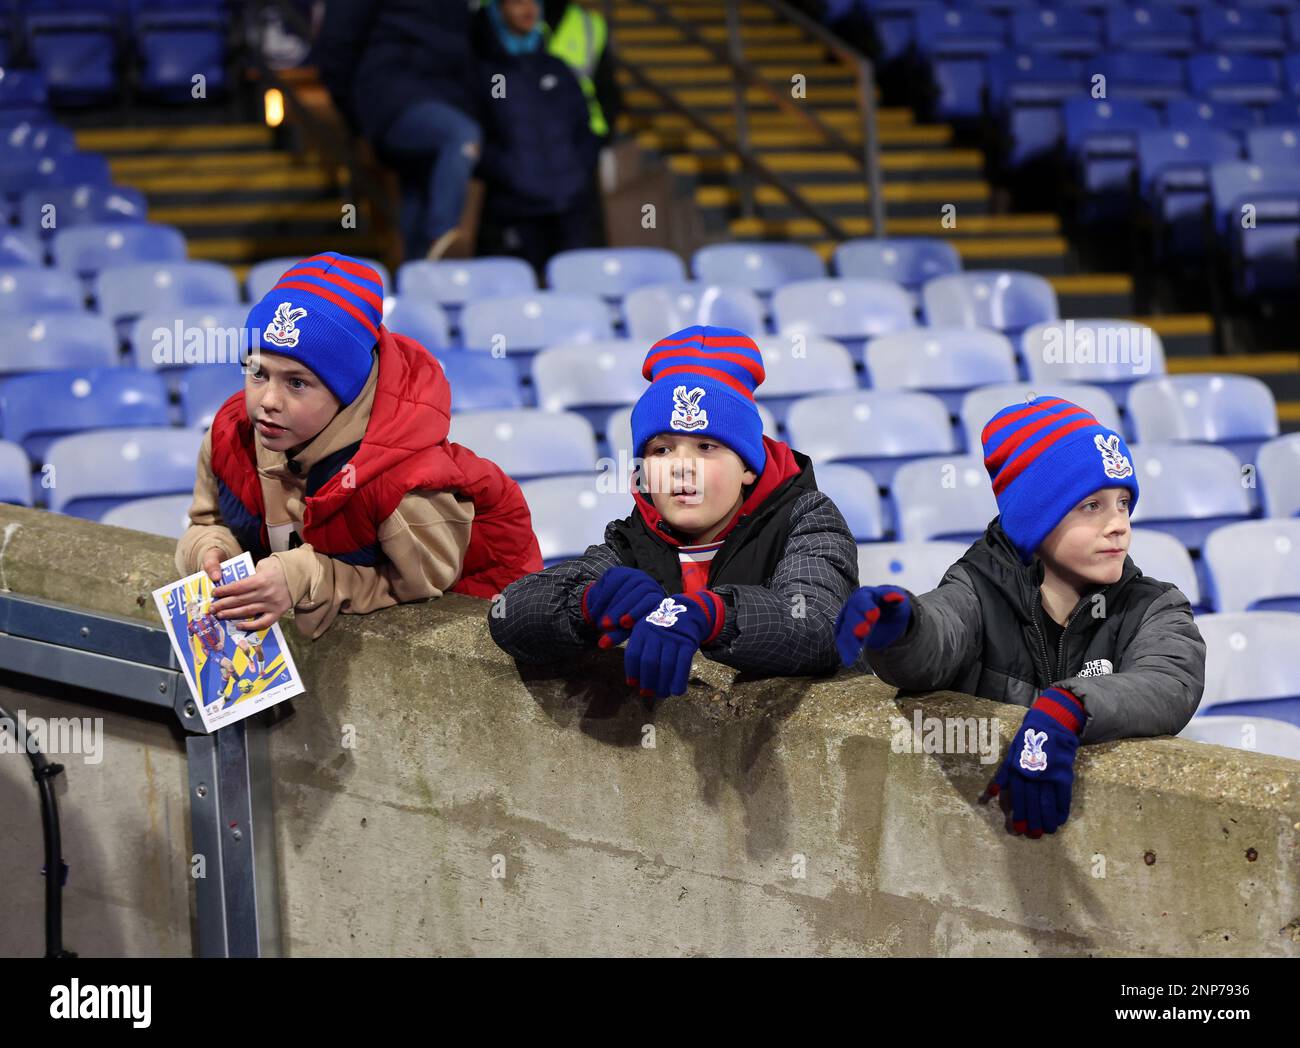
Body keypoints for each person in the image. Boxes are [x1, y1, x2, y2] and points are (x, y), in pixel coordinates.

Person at [835, 396, 1206, 838]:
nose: (1119, 524)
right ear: (1035, 517)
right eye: (1092, 506)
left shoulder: (1153, 605)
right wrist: (902, 628)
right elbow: (939, 635)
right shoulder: (977, 589)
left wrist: (1071, 706)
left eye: (1123, 502)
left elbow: (1169, 682)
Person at [175, 251, 543, 640]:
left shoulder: (404, 484)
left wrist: (305, 576)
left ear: (345, 390)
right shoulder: (229, 434)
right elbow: (207, 521)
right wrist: (209, 551)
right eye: (257, 372)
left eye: (297, 383)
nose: (268, 400)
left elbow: (421, 591)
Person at [488, 325, 859, 697]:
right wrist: (586, 604)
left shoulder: (805, 518)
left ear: (748, 467)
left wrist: (712, 616)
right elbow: (509, 615)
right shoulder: (634, 540)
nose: (682, 467)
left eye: (706, 447)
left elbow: (821, 624)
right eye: (661, 450)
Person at [317, 0, 482, 261]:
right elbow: (337, 45)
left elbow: (469, 53)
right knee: (460, 135)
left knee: (417, 194)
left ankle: (416, 277)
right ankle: (442, 235)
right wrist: (356, 120)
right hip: (391, 100)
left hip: (447, 101)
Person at [471, 0, 601, 274]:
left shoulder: (557, 68)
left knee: (577, 297)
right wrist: (510, 173)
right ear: (498, 9)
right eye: (517, 2)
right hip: (516, 210)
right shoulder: (484, 72)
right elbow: (477, 138)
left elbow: (584, 128)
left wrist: (577, 173)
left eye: (533, 1)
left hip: (570, 207)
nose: (528, 9)